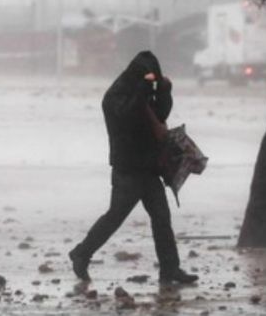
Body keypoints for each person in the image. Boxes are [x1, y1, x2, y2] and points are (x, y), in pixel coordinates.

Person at [68, 51, 198, 285]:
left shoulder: (142, 92)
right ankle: (82, 253)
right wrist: (144, 90)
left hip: (149, 168)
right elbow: (128, 117)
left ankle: (170, 269)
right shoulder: (115, 96)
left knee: (162, 218)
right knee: (114, 217)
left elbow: (160, 115)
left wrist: (164, 91)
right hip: (127, 170)